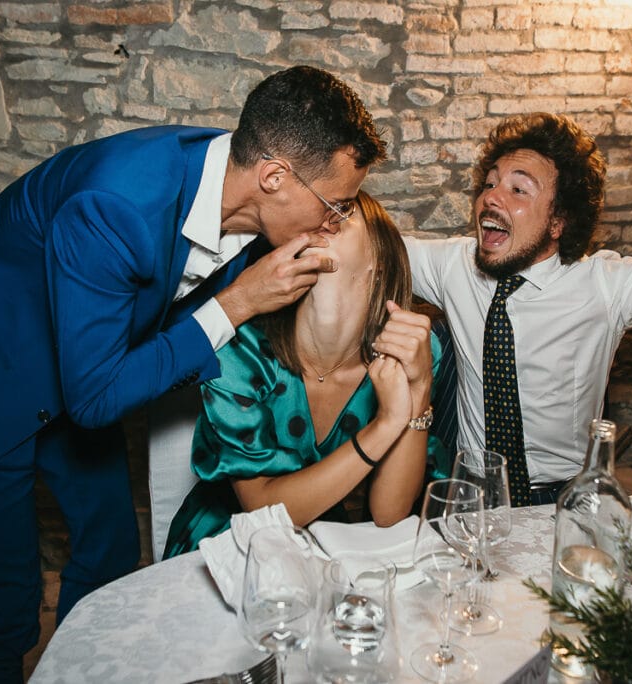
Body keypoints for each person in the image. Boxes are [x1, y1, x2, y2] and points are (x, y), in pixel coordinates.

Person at [0, 65, 386, 681]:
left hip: (82, 362)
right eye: (334, 206)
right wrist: (237, 304)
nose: (334, 223)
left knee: (111, 550)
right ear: (273, 176)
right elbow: (95, 398)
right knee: (1, 605)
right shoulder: (116, 205)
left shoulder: (241, 196)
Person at [403, 67, 632, 506]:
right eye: (490, 183)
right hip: (470, 495)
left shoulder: (606, 285)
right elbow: (372, 248)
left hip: (563, 501)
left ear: (559, 221)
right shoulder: (454, 265)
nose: (491, 197)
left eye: (519, 189)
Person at [163, 191, 441, 557]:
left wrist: (419, 388)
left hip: (328, 546)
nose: (323, 221)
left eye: (342, 213)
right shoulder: (240, 350)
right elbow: (262, 511)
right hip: (227, 545)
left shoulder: (411, 348)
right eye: (316, 215)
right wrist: (386, 424)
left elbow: (389, 514)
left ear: (380, 261)